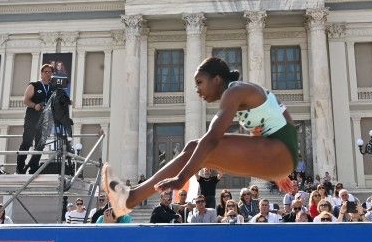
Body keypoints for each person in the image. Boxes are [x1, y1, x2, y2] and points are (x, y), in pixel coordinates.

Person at [102, 57, 299, 217]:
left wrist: (181, 179)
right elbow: (280, 118)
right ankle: (130, 198)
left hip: (279, 154)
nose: (197, 90)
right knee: (193, 148)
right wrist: (281, 171)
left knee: (199, 147)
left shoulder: (235, 92)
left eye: (199, 82)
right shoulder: (242, 92)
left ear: (217, 80)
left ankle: (129, 199)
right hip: (279, 155)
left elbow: (212, 139)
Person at [17, 64, 54, 174]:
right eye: (45, 72)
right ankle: (20, 167)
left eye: (50, 72)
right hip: (32, 118)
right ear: (41, 73)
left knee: (40, 144)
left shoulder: (53, 88)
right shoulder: (34, 85)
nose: (47, 74)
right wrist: (34, 105)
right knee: (27, 142)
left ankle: (34, 167)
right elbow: (25, 100)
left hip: (46, 120)